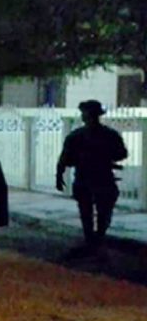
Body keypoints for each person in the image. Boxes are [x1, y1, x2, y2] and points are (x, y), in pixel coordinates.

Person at [56, 100, 128, 257]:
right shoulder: (107, 135)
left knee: (90, 211)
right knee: (100, 211)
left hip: (91, 178)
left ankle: (93, 240)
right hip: (98, 177)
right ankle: (95, 240)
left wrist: (60, 175)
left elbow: (64, 160)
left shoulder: (77, 136)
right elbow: (121, 154)